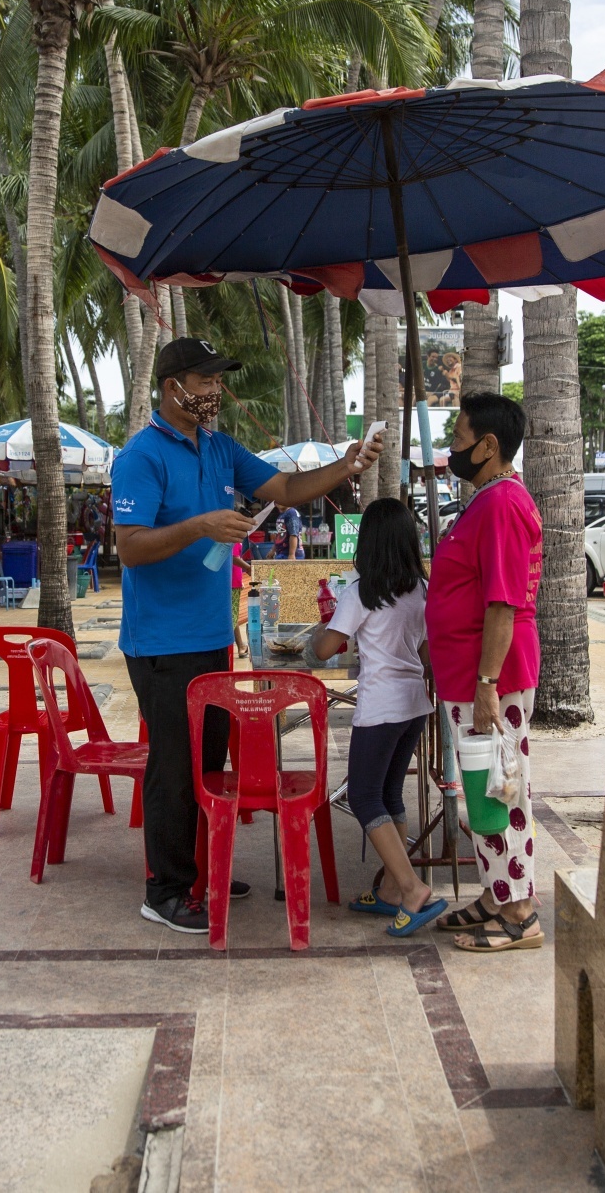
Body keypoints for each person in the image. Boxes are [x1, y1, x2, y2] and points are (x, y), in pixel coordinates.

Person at [113, 337, 383, 934]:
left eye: (216, 381)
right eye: (204, 381)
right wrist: (200, 526)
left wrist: (349, 464)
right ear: (172, 385)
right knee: (174, 767)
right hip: (161, 642)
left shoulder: (218, 447)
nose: (214, 391)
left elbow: (283, 489)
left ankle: (201, 870)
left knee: (208, 762)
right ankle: (164, 889)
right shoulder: (141, 456)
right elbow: (128, 548)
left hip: (210, 634)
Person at [426, 392, 544, 952]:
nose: (453, 449)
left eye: (458, 437)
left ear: (488, 445)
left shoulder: (501, 505)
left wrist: (486, 684)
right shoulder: (490, 500)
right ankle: (497, 895)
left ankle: (519, 911)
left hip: (492, 677)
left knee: (500, 791)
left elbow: (503, 603)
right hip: (471, 676)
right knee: (484, 791)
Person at [312, 497, 445, 936]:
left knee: (364, 796)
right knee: (390, 793)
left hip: (380, 706)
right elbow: (426, 655)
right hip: (413, 707)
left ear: (366, 543)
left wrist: (321, 628)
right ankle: (390, 889)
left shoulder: (362, 591)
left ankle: (410, 888)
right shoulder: (420, 591)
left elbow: (326, 648)